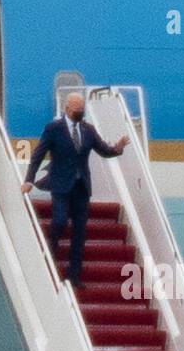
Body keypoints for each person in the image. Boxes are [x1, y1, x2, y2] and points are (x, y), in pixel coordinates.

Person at [20, 91, 130, 287]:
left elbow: (104, 150)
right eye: (77, 110)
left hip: (81, 187)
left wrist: (118, 148)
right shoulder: (54, 128)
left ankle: (75, 276)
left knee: (80, 231)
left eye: (82, 110)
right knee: (60, 221)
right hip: (60, 185)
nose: (80, 112)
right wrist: (29, 179)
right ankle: (50, 260)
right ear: (67, 109)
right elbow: (38, 154)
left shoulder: (88, 130)